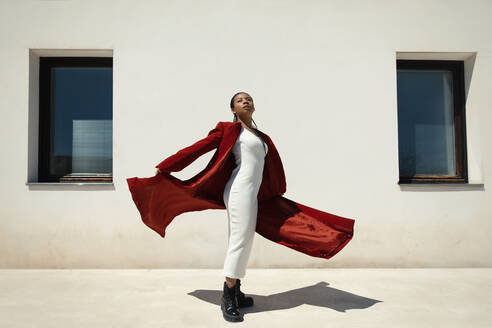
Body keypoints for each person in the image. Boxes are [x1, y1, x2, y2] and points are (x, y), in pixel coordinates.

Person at [155, 92, 262, 322]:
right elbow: (199, 147)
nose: (246, 101)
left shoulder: (260, 136)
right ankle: (228, 296)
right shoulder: (230, 130)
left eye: (249, 98)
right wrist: (168, 165)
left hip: (252, 193)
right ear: (233, 110)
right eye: (240, 100)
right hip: (239, 190)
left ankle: (236, 290)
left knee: (244, 239)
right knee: (239, 240)